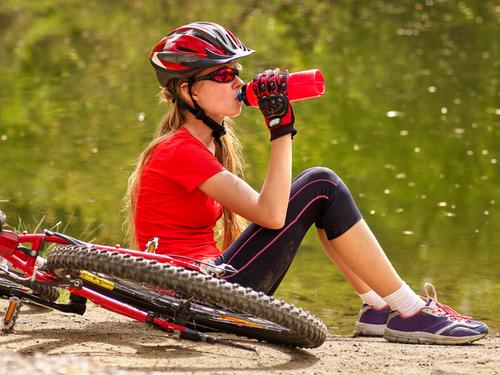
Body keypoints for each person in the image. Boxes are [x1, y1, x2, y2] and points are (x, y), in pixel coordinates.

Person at [125, 22, 488, 345]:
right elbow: (271, 214)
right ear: (189, 92)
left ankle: (378, 307)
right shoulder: (178, 151)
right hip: (193, 295)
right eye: (222, 76)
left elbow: (270, 213)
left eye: (237, 71)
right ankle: (409, 311)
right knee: (321, 185)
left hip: (200, 288)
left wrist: (280, 126)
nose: (237, 82)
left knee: (319, 194)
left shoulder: (202, 145)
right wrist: (281, 131)